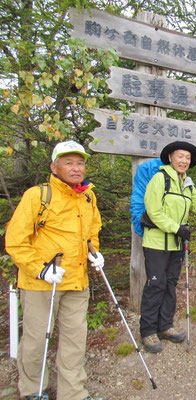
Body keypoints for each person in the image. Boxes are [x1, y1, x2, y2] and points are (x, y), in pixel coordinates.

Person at [5, 141, 105, 400]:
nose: (76, 168)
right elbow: (15, 241)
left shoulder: (88, 196)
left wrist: (95, 253)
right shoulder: (37, 195)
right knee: (36, 341)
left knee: (75, 342)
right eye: (68, 162)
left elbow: (91, 232)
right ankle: (33, 392)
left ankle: (74, 393)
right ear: (54, 166)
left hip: (76, 281)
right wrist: (40, 270)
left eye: (80, 162)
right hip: (41, 284)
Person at [140, 141, 196, 353]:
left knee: (170, 284)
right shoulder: (159, 179)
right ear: (171, 157)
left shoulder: (187, 184)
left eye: (188, 158)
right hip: (156, 242)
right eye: (180, 156)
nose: (184, 161)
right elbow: (154, 212)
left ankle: (165, 326)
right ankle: (148, 331)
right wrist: (176, 228)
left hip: (177, 244)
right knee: (156, 285)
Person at [130, 157, 164, 237]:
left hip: (175, 235)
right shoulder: (147, 168)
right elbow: (139, 199)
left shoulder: (180, 172)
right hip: (152, 233)